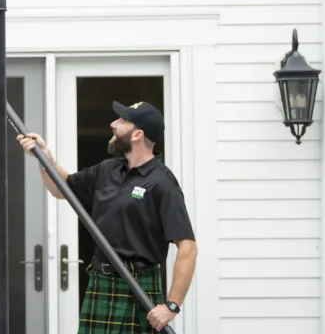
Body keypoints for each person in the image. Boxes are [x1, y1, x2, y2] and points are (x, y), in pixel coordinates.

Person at [17, 101, 197, 333]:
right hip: (101, 284)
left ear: (137, 134)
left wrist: (172, 306)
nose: (113, 124)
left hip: (137, 287)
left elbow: (188, 248)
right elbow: (62, 188)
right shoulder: (108, 169)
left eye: (122, 121)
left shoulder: (163, 184)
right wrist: (44, 158)